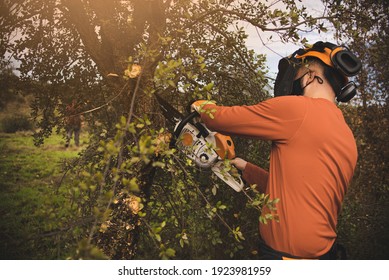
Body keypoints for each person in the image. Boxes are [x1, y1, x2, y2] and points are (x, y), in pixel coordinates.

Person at [192, 42, 361, 259]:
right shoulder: (346, 135)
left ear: (310, 75)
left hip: (286, 258)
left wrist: (200, 107)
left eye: (298, 70)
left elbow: (222, 118)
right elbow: (300, 194)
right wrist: (247, 169)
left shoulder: (299, 109)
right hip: (323, 256)